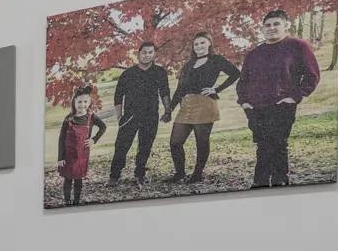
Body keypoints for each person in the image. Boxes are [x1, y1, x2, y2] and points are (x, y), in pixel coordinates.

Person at [236, 9, 321, 188]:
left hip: (281, 104)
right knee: (263, 145)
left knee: (278, 144)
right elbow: (243, 81)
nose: (271, 28)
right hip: (256, 108)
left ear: (286, 26)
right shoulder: (254, 54)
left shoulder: (297, 46)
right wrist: (245, 103)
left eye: (276, 24)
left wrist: (295, 97)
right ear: (262, 29)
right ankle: (260, 183)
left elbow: (312, 74)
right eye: (267, 25)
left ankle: (279, 181)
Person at [165, 32, 240, 183]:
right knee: (175, 142)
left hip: (204, 103)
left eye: (202, 43)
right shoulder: (188, 65)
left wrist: (216, 89)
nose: (199, 46)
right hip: (186, 104)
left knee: (201, 141)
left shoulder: (216, 60)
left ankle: (197, 174)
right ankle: (180, 173)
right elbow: (180, 89)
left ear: (209, 44)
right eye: (196, 44)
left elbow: (235, 73)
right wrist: (169, 110)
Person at [108, 41, 171, 184]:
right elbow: (118, 97)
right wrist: (119, 117)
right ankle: (114, 176)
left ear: (154, 54)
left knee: (145, 146)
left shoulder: (160, 72)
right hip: (130, 116)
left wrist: (168, 111)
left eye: (150, 52)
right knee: (121, 146)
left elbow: (165, 92)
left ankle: (139, 175)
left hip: (151, 115)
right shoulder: (128, 74)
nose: (147, 55)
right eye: (144, 52)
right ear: (138, 54)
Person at [52, 85, 106, 208]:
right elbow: (61, 139)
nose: (83, 105)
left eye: (85, 102)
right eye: (80, 102)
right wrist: (60, 157)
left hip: (82, 155)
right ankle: (67, 201)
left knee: (78, 179)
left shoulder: (91, 117)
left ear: (90, 102)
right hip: (68, 155)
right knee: (68, 179)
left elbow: (103, 127)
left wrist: (94, 139)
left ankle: (76, 202)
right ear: (74, 102)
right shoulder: (69, 119)